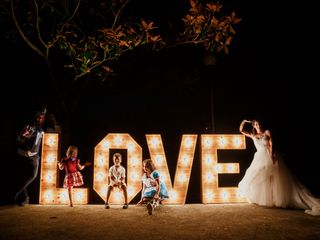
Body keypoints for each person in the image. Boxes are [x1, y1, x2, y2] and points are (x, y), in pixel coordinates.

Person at [238, 119, 320, 216]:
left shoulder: (267, 132)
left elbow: (272, 143)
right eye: (256, 124)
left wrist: (272, 155)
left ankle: (281, 198)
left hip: (268, 156)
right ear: (254, 126)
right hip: (258, 158)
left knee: (273, 178)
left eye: (259, 123)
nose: (258, 125)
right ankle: (266, 197)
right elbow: (241, 130)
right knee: (255, 175)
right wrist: (244, 121)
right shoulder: (254, 135)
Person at [14, 108, 47, 206]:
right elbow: (18, 140)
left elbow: (56, 132)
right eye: (38, 117)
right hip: (23, 154)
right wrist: (24, 137)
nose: (39, 119)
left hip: (34, 156)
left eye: (41, 118)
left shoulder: (42, 129)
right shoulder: (29, 127)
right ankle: (25, 198)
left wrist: (54, 121)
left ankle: (18, 192)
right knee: (24, 176)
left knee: (33, 176)